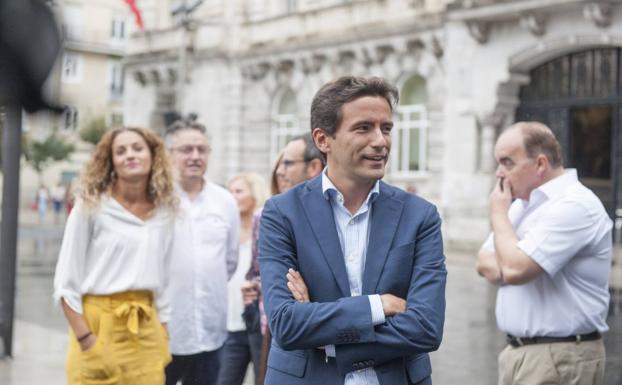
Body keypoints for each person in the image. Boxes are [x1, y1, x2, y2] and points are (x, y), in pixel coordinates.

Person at [258, 76, 447, 385]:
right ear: (323, 140)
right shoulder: (282, 213)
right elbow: (286, 324)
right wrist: (378, 305)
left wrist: (325, 334)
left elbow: (425, 327)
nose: (380, 141)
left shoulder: (420, 216)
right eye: (363, 128)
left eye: (386, 128)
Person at [476, 121, 612, 385]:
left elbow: (514, 269)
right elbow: (484, 262)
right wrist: (514, 259)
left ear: (540, 164)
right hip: (519, 354)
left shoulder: (575, 205)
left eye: (507, 162)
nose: (499, 174)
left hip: (560, 357)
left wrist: (497, 213)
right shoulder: (522, 205)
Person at [53, 126, 177, 385]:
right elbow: (66, 283)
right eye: (120, 151)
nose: (130, 155)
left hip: (146, 326)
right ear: (111, 162)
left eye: (137, 148)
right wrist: (86, 339)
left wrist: (163, 332)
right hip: (98, 323)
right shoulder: (91, 206)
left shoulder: (165, 212)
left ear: (152, 156)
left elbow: (166, 279)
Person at [165, 119, 240, 385]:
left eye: (202, 150)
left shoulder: (225, 202)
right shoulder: (156, 200)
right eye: (186, 149)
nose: (195, 156)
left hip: (211, 331)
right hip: (164, 330)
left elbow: (229, 262)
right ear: (169, 154)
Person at [218, 173, 269, 385]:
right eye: (230, 192)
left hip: (258, 321)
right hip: (230, 324)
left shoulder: (265, 229)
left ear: (255, 194)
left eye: (238, 191)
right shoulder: (224, 231)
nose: (232, 197)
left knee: (263, 379)